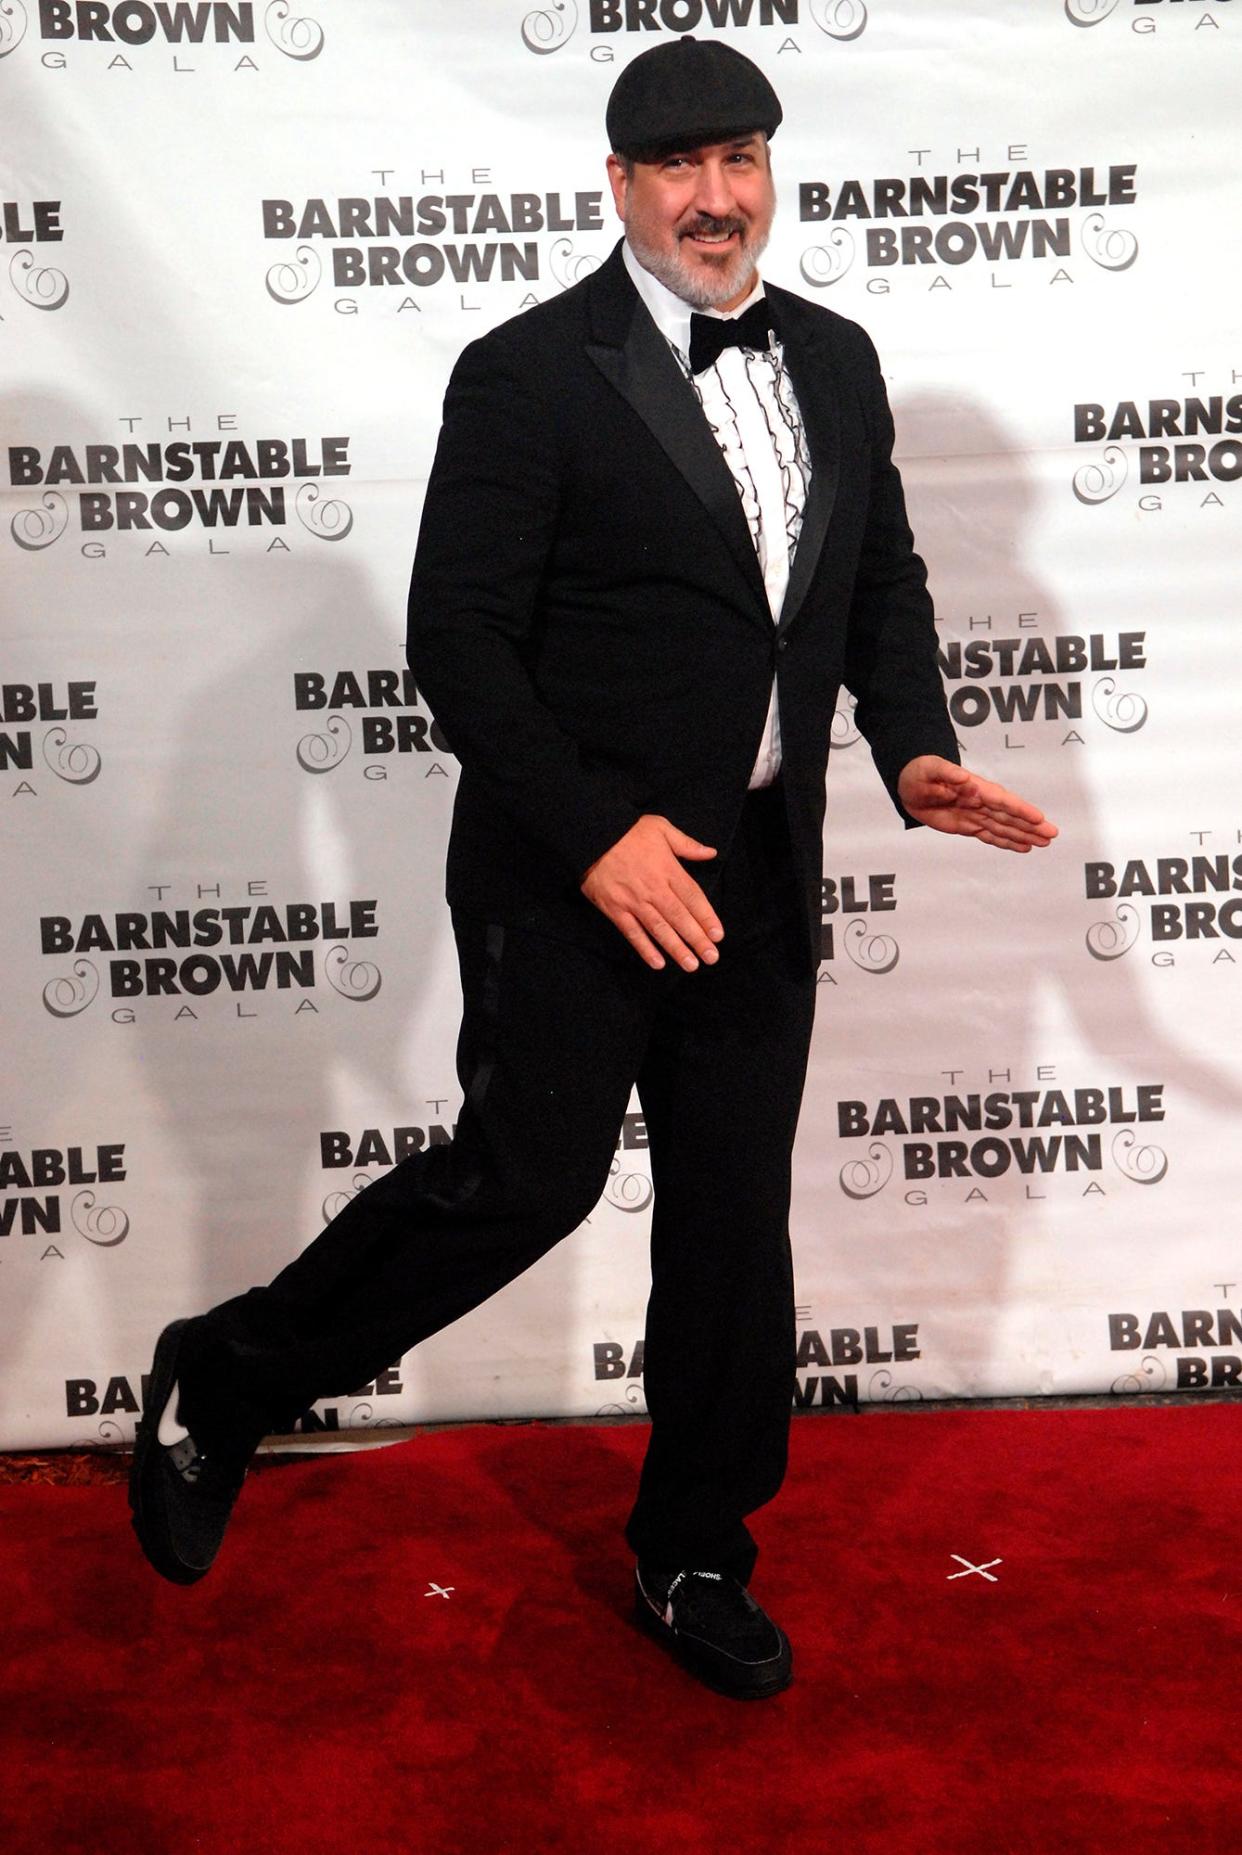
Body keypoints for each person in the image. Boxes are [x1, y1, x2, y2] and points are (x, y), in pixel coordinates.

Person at [129, 38, 1056, 1701]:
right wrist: (598, 834)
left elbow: (880, 584)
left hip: (759, 870)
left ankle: (695, 1546)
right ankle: (231, 1369)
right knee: (524, 1180)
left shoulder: (836, 359)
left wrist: (909, 747)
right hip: (571, 867)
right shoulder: (527, 371)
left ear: (771, 169)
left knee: (725, 1223)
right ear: (617, 186)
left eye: (741, 159)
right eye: (677, 167)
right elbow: (459, 642)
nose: (715, 198)